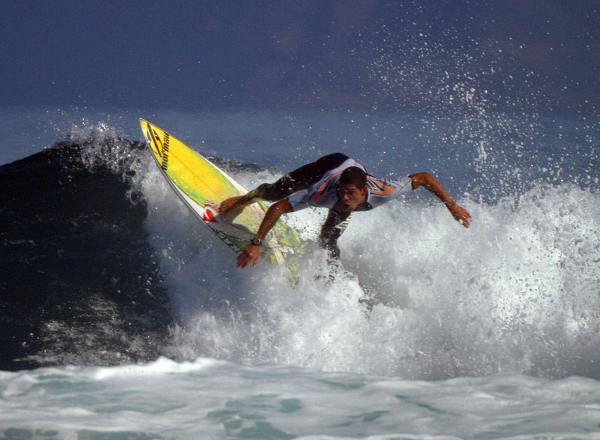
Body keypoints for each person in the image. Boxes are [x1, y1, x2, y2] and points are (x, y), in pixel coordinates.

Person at [220, 153, 471, 268]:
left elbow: (424, 177)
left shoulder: (384, 191)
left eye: (351, 194)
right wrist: (256, 242)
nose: (345, 197)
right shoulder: (322, 191)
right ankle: (246, 197)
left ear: (364, 192)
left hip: (352, 173)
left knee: (329, 239)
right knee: (275, 192)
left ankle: (329, 276)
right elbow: (277, 208)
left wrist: (452, 205)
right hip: (329, 165)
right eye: (343, 193)